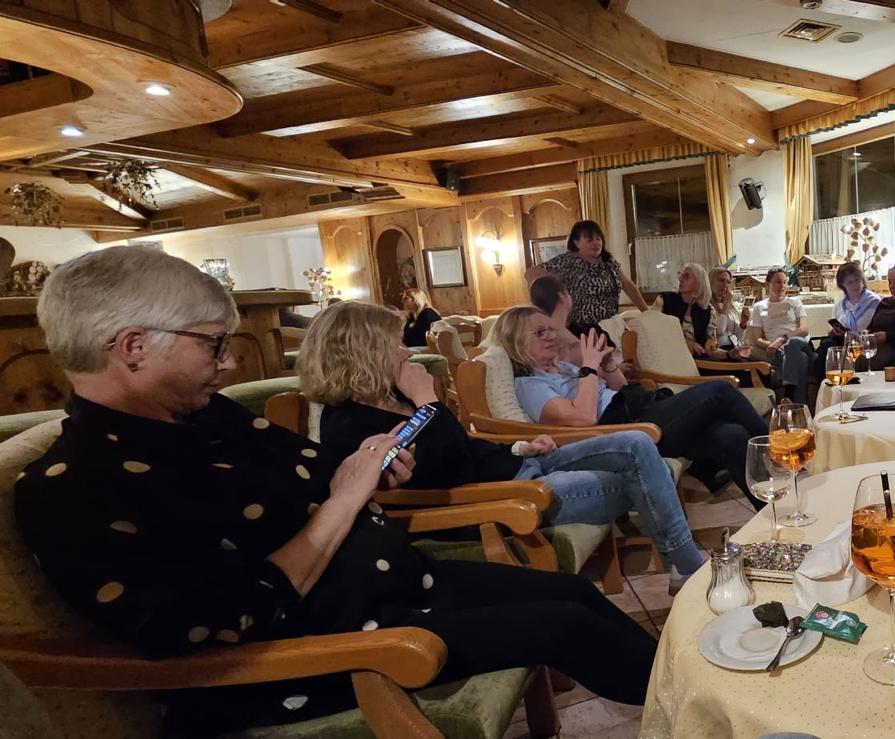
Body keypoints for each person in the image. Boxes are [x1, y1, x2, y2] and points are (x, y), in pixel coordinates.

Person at [14, 247, 656, 734]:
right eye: (213, 344)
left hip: (399, 586)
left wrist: (368, 466)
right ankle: (696, 711)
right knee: (565, 624)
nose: (229, 362)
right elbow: (207, 628)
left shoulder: (208, 417)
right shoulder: (73, 489)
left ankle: (694, 696)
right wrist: (345, 499)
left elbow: (318, 469)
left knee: (574, 595)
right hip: (327, 649)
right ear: (133, 348)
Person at [303, 301, 705, 581]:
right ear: (363, 353)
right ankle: (687, 568)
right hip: (504, 495)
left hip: (517, 465)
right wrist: (429, 403)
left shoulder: (395, 396)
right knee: (647, 475)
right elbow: (450, 471)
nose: (405, 353)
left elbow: (464, 445)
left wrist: (517, 447)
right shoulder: (349, 423)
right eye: (393, 344)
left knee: (636, 443)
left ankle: (681, 567)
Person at [494, 306, 771, 509]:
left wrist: (606, 364)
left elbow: (620, 386)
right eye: (539, 332)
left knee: (731, 435)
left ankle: (771, 511)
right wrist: (588, 367)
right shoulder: (529, 385)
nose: (550, 337)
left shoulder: (563, 367)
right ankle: (779, 456)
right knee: (719, 391)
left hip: (638, 409)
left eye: (550, 330)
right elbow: (584, 419)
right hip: (624, 431)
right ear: (517, 341)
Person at [542, 220, 650, 336]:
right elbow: (533, 273)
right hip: (581, 329)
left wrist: (647, 312)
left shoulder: (608, 261)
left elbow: (627, 285)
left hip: (611, 325)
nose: (596, 242)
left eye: (598, 238)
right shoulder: (567, 261)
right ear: (576, 242)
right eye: (590, 239)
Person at [748, 268, 813, 403]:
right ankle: (799, 405)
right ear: (768, 284)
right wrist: (774, 345)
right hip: (779, 351)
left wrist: (782, 339)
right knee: (801, 359)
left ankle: (788, 392)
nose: (782, 286)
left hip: (799, 342)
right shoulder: (759, 307)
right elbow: (758, 339)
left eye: (784, 282)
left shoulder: (795, 302)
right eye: (778, 282)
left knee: (792, 344)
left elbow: (804, 329)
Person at [811, 262, 879, 374]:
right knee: (827, 346)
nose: (855, 285)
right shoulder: (839, 304)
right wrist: (835, 331)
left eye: (857, 280)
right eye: (850, 282)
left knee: (826, 347)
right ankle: (824, 380)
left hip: (863, 343)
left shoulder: (874, 302)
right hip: (841, 342)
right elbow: (832, 328)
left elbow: (876, 327)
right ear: (842, 285)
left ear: (862, 280)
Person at [660, 262, 714, 357]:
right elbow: (655, 330)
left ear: (699, 282)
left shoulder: (708, 310)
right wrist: (685, 342)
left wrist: (729, 354)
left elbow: (711, 345)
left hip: (698, 359)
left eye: (686, 276)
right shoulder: (665, 300)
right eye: (680, 275)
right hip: (669, 357)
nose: (680, 279)